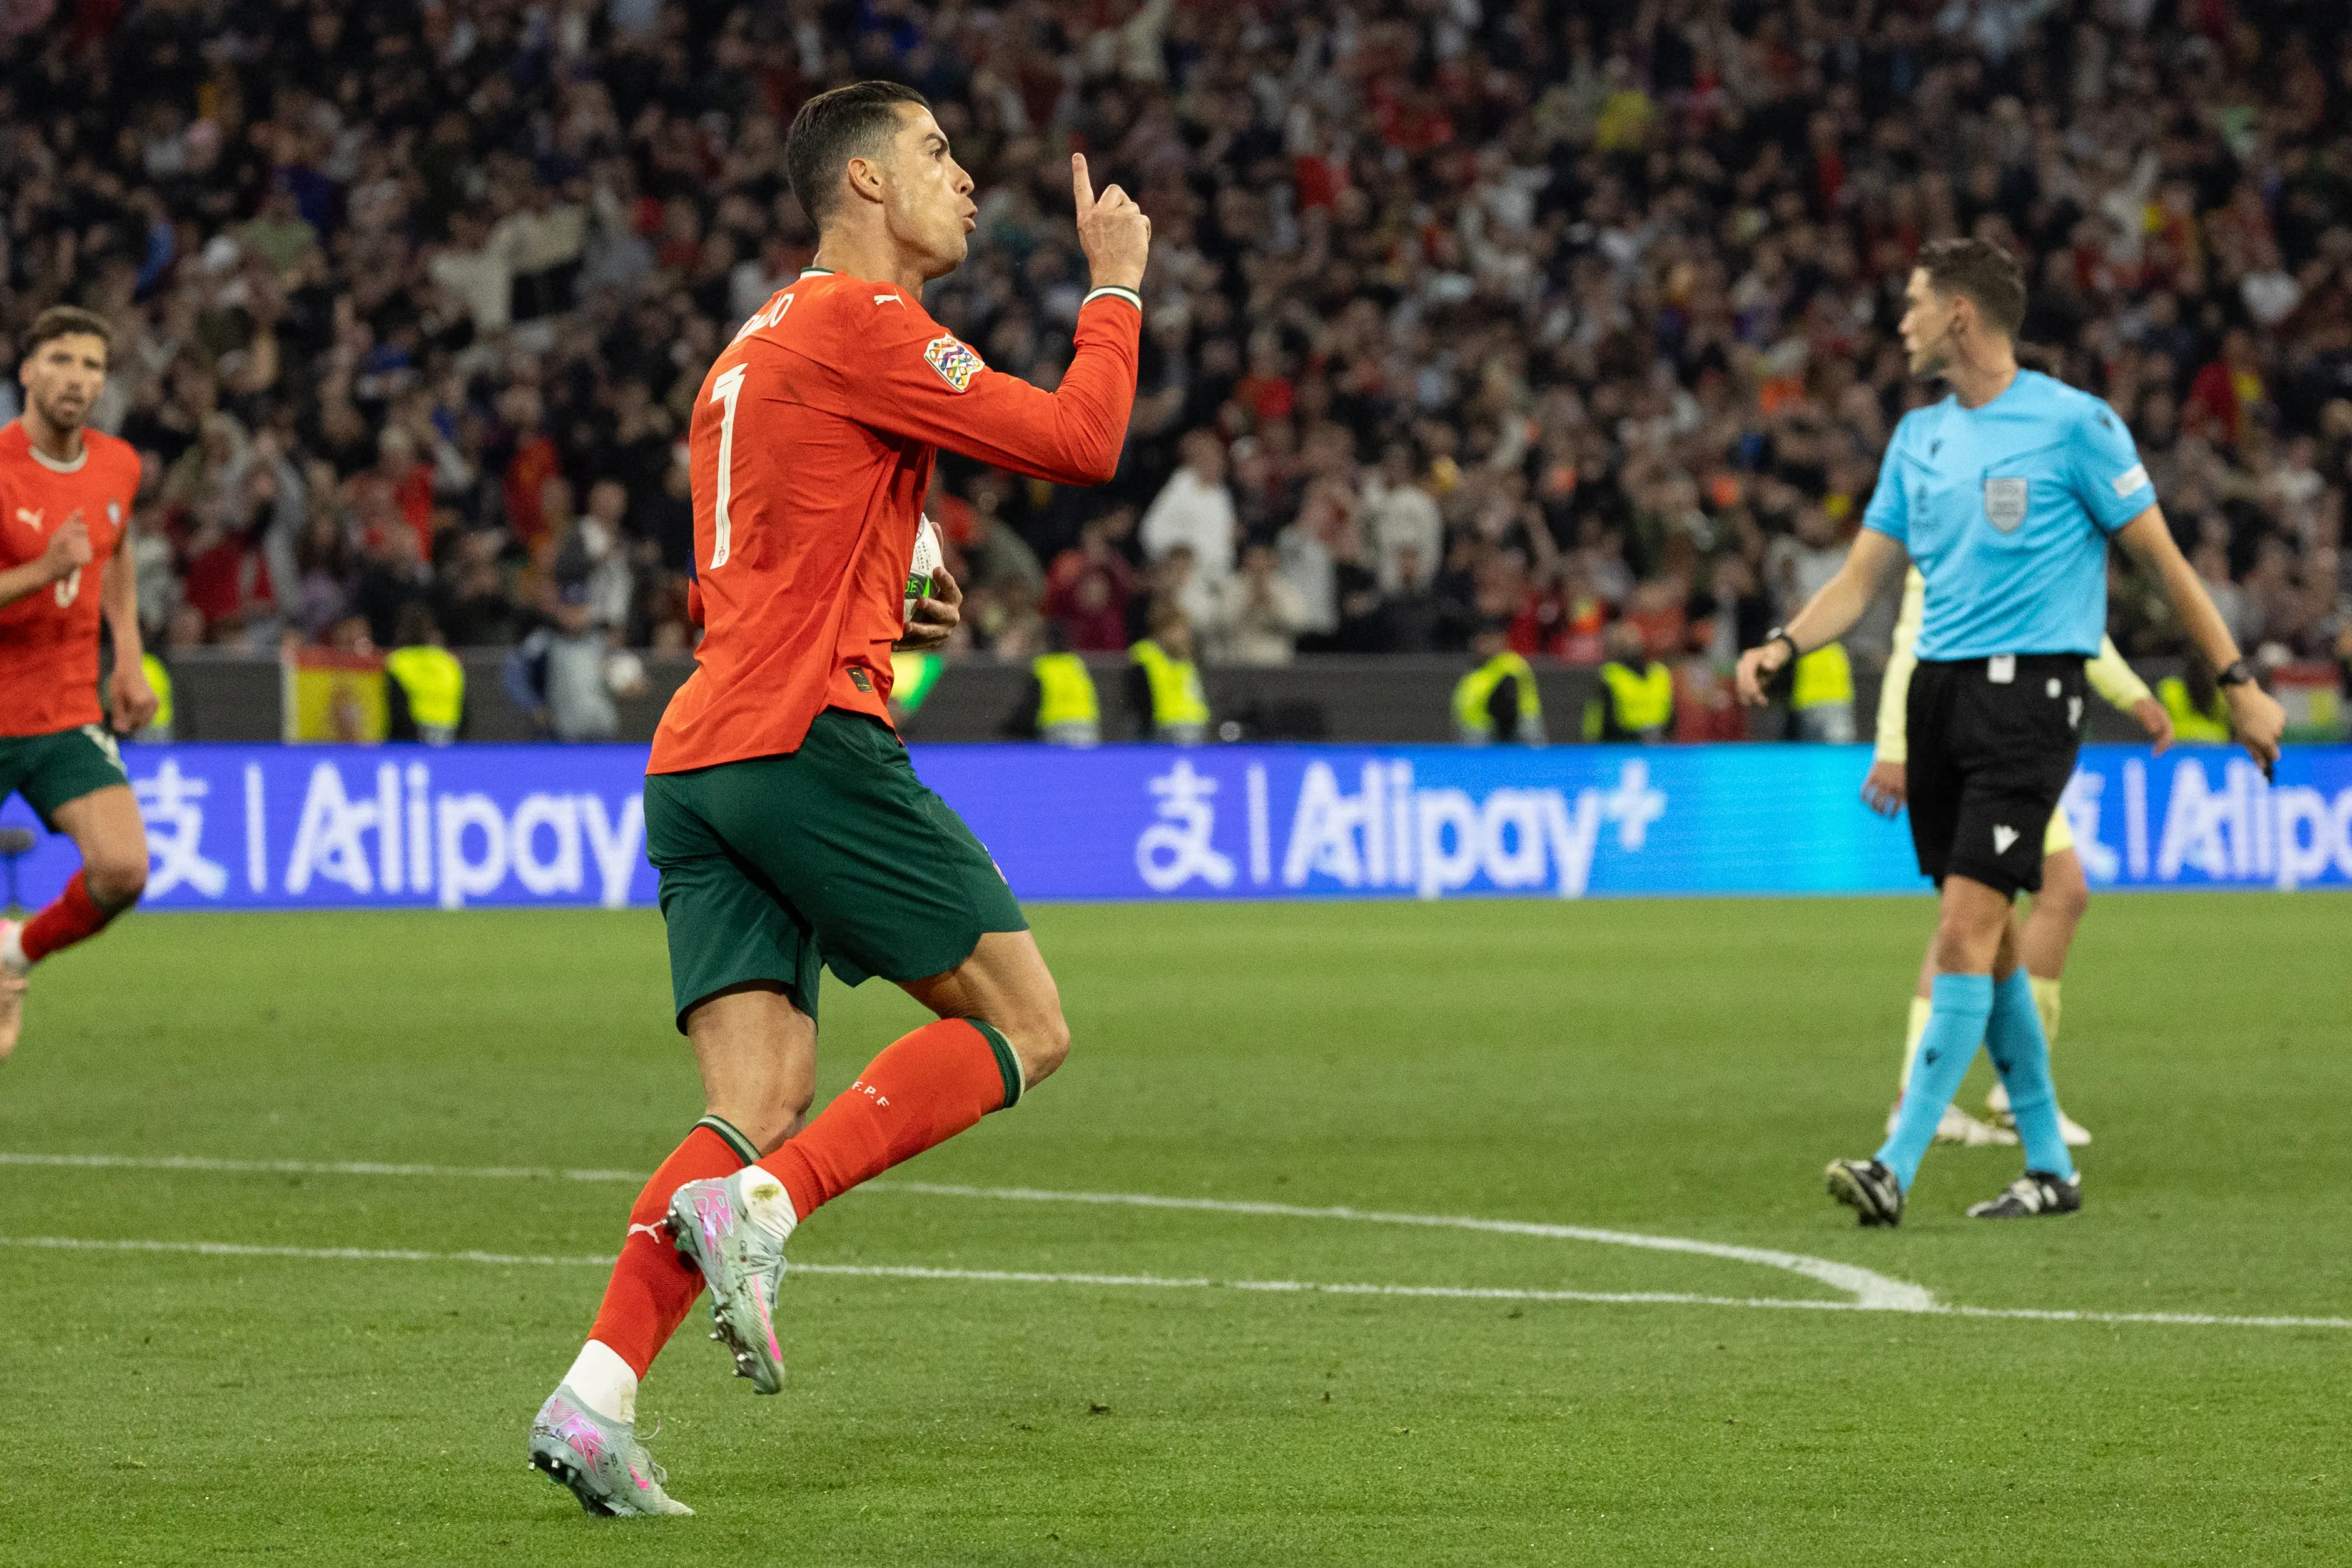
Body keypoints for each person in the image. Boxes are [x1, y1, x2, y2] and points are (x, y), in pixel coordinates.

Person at [525, 82, 1147, 1516]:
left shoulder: (748, 349)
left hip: (701, 758)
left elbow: (763, 553)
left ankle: (596, 1396)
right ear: (864, 183)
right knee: (1024, 1025)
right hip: (807, 741)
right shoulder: (863, 322)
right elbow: (1080, 441)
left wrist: (889, 592)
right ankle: (770, 1209)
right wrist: (1113, 290)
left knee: (754, 1097)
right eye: (937, 152)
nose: (967, 178)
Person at [1736, 238, 2283, 1227]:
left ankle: (1895, 1161)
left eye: (1911, 303)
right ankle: (2047, 1168)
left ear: (1959, 315)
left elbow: (2162, 561)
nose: (1898, 320)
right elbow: (1863, 581)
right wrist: (1784, 640)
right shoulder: (1918, 439)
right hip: (1940, 698)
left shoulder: (2076, 425)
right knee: (1987, 952)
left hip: (2031, 701)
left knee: (1964, 927)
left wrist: (2237, 681)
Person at [1862, 565, 2176, 1148]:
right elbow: (1913, 640)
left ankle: (2010, 1090)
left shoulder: (2026, 526)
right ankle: (1928, 1095)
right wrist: (1893, 744)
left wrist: (2131, 694)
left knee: (2055, 894)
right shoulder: (1957, 529)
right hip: (1970, 742)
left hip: (2012, 739)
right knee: (1978, 908)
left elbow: (2073, 627)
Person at [0, 307, 159, 1062]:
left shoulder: (118, 464)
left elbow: (116, 547)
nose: (78, 378)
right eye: (61, 359)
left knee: (124, 868)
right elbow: (68, 560)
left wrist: (126, 651)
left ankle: (13, 956)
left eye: (93, 365)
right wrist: (43, 572)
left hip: (66, 711)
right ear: (27, 372)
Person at [384, 602, 466, 745]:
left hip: (411, 739)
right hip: (448, 735)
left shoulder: (397, 662)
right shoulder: (449, 663)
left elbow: (395, 708)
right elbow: (464, 708)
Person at [1127, 604, 1210, 744]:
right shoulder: (1147, 654)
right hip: (1166, 724)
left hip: (1194, 722)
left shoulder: (1186, 659)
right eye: (1177, 629)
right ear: (1162, 631)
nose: (1183, 636)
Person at [1454, 620, 1544, 744]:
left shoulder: (1510, 666)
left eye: (1491, 641)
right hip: (1473, 733)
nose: (1486, 646)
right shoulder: (1479, 667)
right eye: (1483, 642)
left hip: (1500, 736)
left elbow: (1506, 707)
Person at [1583, 620, 1674, 742]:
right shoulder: (1611, 674)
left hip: (1646, 745)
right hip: (1632, 745)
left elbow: (1672, 716)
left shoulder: (1659, 673)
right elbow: (1602, 722)